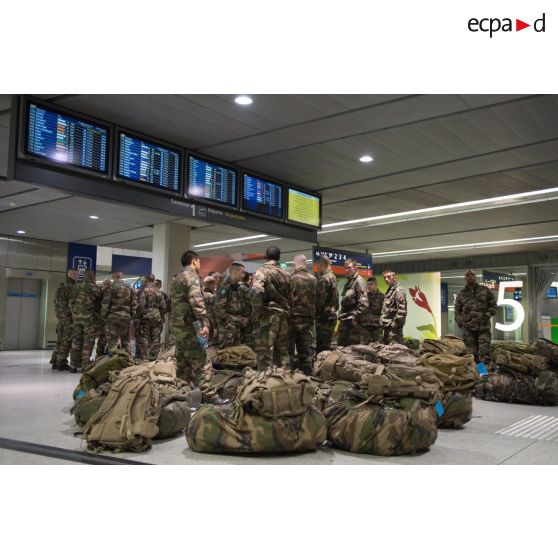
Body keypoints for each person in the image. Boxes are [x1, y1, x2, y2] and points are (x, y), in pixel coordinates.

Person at [170, 250, 209, 385]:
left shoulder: (176, 278)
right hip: (191, 326)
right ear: (194, 261)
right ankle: (208, 393)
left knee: (182, 362)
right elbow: (196, 302)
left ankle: (183, 390)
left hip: (178, 326)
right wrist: (205, 323)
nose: (199, 264)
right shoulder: (192, 277)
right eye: (199, 261)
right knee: (201, 360)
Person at [251, 246, 291, 370]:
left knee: (265, 352)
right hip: (283, 316)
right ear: (279, 257)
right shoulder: (286, 273)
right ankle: (286, 381)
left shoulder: (262, 271)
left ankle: (265, 383)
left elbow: (256, 293)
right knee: (283, 352)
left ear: (266, 256)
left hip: (268, 317)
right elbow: (291, 296)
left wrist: (258, 311)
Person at [454, 270, 497, 364]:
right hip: (468, 329)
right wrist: (461, 322)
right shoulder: (461, 294)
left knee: (484, 352)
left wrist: (487, 315)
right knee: (472, 354)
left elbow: (493, 306)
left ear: (475, 277)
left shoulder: (485, 290)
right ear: (465, 278)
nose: (470, 277)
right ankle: (475, 374)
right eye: (467, 275)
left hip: (483, 327)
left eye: (472, 275)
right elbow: (457, 311)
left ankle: (483, 374)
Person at [69, 269, 102, 372]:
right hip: (89, 319)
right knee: (88, 342)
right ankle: (85, 365)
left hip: (77, 318)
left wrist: (74, 313)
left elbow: (71, 302)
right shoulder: (95, 288)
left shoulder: (76, 287)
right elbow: (100, 304)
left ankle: (73, 365)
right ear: (92, 276)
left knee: (76, 341)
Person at [288, 254, 317, 374]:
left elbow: (286, 298)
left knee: (289, 351)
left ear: (295, 263)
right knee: (305, 351)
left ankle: (288, 379)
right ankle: (308, 378)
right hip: (307, 320)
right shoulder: (313, 279)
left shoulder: (291, 278)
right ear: (305, 263)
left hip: (292, 319)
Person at [101, 270, 137, 352]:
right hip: (126, 318)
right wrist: (131, 316)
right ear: (122, 277)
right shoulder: (129, 288)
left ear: (113, 277)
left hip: (112, 318)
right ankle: (127, 361)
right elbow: (134, 304)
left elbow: (105, 304)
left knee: (112, 342)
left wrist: (104, 316)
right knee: (126, 341)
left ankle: (113, 362)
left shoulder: (110, 287)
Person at [50, 269, 78, 370]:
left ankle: (54, 360)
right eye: (77, 274)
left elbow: (55, 302)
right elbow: (72, 304)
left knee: (60, 340)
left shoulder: (60, 287)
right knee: (67, 340)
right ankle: (61, 362)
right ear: (74, 275)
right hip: (69, 318)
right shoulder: (73, 287)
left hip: (60, 317)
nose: (78, 275)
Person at [214, 262, 248, 347]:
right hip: (227, 329)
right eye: (242, 272)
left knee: (235, 355)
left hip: (235, 327)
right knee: (226, 354)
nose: (243, 275)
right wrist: (236, 320)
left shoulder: (236, 287)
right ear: (236, 272)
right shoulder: (225, 288)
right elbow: (219, 310)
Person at [337, 258, 368, 346]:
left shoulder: (359, 281)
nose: (347, 270)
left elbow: (364, 304)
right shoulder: (349, 283)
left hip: (353, 324)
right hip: (345, 322)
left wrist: (355, 318)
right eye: (345, 268)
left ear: (355, 267)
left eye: (349, 267)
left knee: (352, 351)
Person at [137, 273, 166, 360]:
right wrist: (160, 316)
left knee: (144, 339)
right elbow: (164, 307)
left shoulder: (144, 290)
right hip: (157, 318)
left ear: (146, 279)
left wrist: (138, 316)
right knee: (155, 339)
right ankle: (154, 358)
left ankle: (145, 358)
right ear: (153, 280)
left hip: (145, 318)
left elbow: (141, 305)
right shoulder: (159, 291)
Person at [314, 255, 339, 354]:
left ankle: (322, 368)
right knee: (327, 347)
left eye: (317, 266)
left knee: (321, 349)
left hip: (323, 319)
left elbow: (319, 302)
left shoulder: (324, 279)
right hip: (330, 317)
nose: (317, 268)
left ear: (321, 264)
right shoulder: (333, 276)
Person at [379, 269, 407, 345]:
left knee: (397, 352)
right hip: (387, 327)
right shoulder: (390, 291)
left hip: (394, 329)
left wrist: (394, 325)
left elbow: (402, 311)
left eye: (388, 277)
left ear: (394, 277)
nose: (386, 279)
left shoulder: (398, 291)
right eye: (384, 277)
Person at [361, 277, 385, 343]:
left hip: (377, 328)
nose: (369, 286)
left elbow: (385, 313)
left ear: (375, 285)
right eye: (368, 284)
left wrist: (382, 325)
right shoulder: (364, 297)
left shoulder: (382, 297)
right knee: (363, 348)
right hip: (365, 326)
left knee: (377, 348)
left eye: (371, 284)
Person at [95, 278, 111, 357]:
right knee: (103, 337)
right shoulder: (100, 292)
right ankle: (99, 355)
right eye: (105, 284)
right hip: (103, 318)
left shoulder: (108, 292)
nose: (106, 285)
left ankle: (102, 354)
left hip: (106, 318)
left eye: (107, 284)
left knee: (106, 337)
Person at [203, 275, 218, 344]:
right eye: (214, 284)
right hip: (210, 323)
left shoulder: (199, 294)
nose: (215, 286)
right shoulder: (212, 296)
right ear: (212, 285)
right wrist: (215, 327)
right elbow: (213, 312)